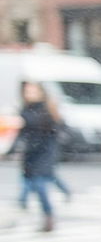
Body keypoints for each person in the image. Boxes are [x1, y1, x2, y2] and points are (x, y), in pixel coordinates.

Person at [8, 80, 65, 232]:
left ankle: (49, 217)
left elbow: (60, 128)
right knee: (30, 183)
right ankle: (27, 205)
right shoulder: (25, 110)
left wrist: (60, 138)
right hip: (30, 153)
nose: (30, 94)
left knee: (40, 185)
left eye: (33, 91)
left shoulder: (48, 109)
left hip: (46, 152)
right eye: (27, 92)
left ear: (41, 92)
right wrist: (11, 151)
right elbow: (22, 134)